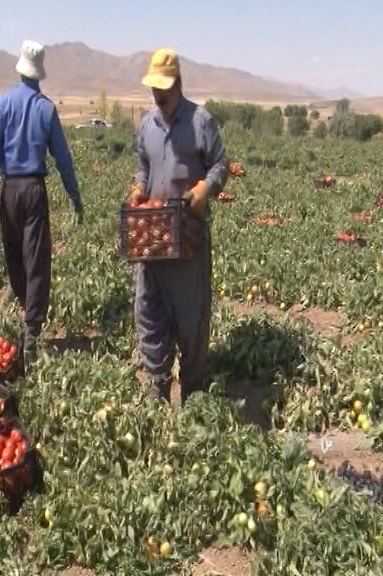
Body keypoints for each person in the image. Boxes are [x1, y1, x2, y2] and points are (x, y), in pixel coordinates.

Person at [130, 48, 228, 405]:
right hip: (153, 237)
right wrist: (140, 188)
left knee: (191, 317)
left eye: (164, 91)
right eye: (154, 90)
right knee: (149, 311)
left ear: (178, 84)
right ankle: (157, 387)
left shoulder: (200, 121)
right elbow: (143, 163)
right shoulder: (147, 123)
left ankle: (192, 393)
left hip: (187, 239)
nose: (159, 97)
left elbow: (220, 164)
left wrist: (206, 188)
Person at [0, 39, 83, 372]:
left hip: (10, 188)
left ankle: (27, 311)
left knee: (14, 254)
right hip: (34, 189)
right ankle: (32, 329)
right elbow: (63, 158)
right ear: (40, 72)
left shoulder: (5, 102)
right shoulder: (45, 108)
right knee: (35, 257)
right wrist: (73, 195)